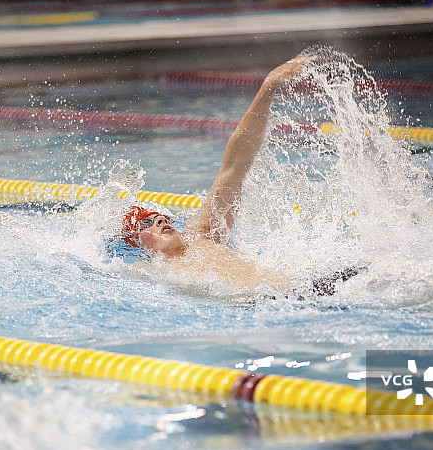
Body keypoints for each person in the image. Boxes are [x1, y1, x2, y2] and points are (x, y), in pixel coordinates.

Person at [120, 55, 360, 296]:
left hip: (305, 292)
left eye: (161, 217)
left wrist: (268, 87)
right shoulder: (151, 274)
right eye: (146, 223)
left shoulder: (204, 235)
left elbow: (235, 164)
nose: (161, 221)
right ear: (138, 244)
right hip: (273, 305)